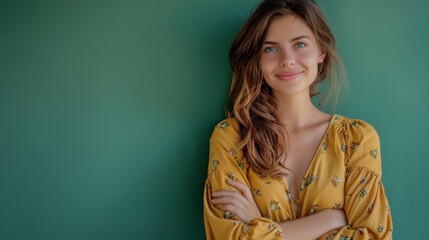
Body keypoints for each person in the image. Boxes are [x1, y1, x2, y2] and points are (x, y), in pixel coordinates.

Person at [203, 0, 393, 239]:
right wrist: (329, 220)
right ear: (257, 60)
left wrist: (257, 224)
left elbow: (372, 236)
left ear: (320, 53)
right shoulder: (232, 138)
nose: (287, 59)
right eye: (270, 49)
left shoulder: (356, 138)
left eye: (300, 44)